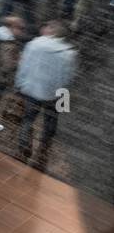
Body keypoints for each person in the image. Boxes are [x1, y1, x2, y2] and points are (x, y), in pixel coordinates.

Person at [14, 21, 76, 167]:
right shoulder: (69, 53)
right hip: (54, 94)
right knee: (51, 121)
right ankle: (43, 149)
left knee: (28, 119)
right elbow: (67, 78)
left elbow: (24, 67)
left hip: (31, 91)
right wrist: (62, 97)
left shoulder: (33, 45)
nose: (44, 27)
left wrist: (19, 85)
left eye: (47, 26)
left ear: (52, 31)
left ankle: (23, 146)